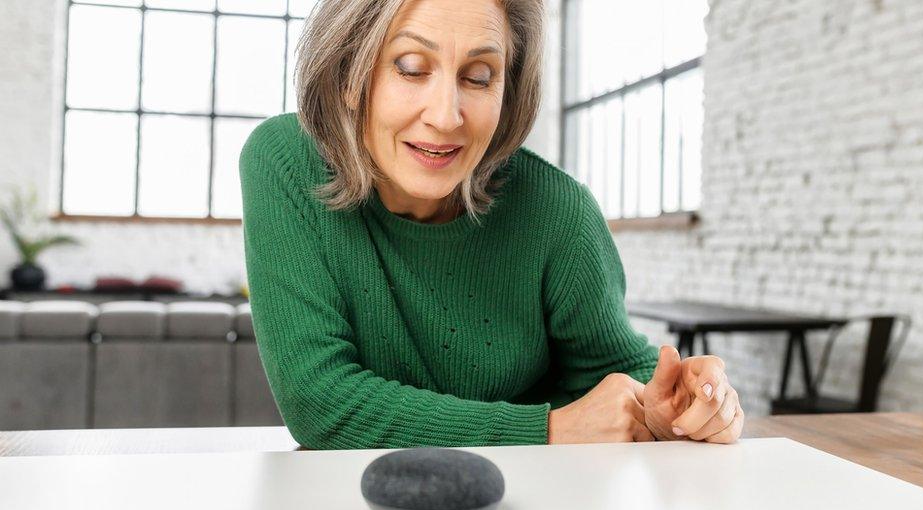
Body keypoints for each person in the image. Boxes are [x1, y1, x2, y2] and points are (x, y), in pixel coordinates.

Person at [239, 0, 744, 450]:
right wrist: (551, 431)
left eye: (478, 77)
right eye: (411, 68)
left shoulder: (558, 210)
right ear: (350, 74)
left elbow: (620, 373)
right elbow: (319, 402)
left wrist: (680, 403)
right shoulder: (285, 161)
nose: (446, 116)